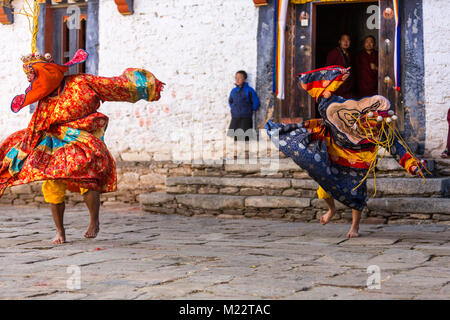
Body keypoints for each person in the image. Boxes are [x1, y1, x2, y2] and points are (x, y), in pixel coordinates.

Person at [0, 49, 164, 244]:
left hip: (84, 139)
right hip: (55, 143)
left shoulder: (82, 82)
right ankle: (60, 231)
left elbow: (113, 86)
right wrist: (15, 160)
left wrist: (140, 86)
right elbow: (34, 130)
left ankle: (94, 221)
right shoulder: (44, 102)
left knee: (87, 173)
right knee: (52, 180)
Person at [260, 66, 427, 238]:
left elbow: (397, 148)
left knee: (357, 193)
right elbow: (321, 92)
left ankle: (354, 227)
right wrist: (337, 78)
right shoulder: (339, 113)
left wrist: (413, 166)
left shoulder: (381, 129)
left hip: (360, 161)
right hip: (335, 153)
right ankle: (331, 209)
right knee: (324, 189)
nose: (372, 127)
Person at [227, 70, 260, 140]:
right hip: (235, 117)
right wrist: (234, 109)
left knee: (245, 138)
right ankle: (237, 150)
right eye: (236, 78)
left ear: (245, 79)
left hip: (246, 118)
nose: (237, 80)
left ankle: (246, 151)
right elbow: (230, 101)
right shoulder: (233, 91)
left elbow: (256, 103)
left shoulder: (249, 90)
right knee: (236, 137)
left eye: (240, 78)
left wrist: (249, 110)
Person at [326, 34, 355, 99]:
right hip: (337, 86)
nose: (346, 42)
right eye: (343, 40)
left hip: (347, 86)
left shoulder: (348, 53)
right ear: (339, 41)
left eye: (348, 40)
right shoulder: (334, 53)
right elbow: (328, 70)